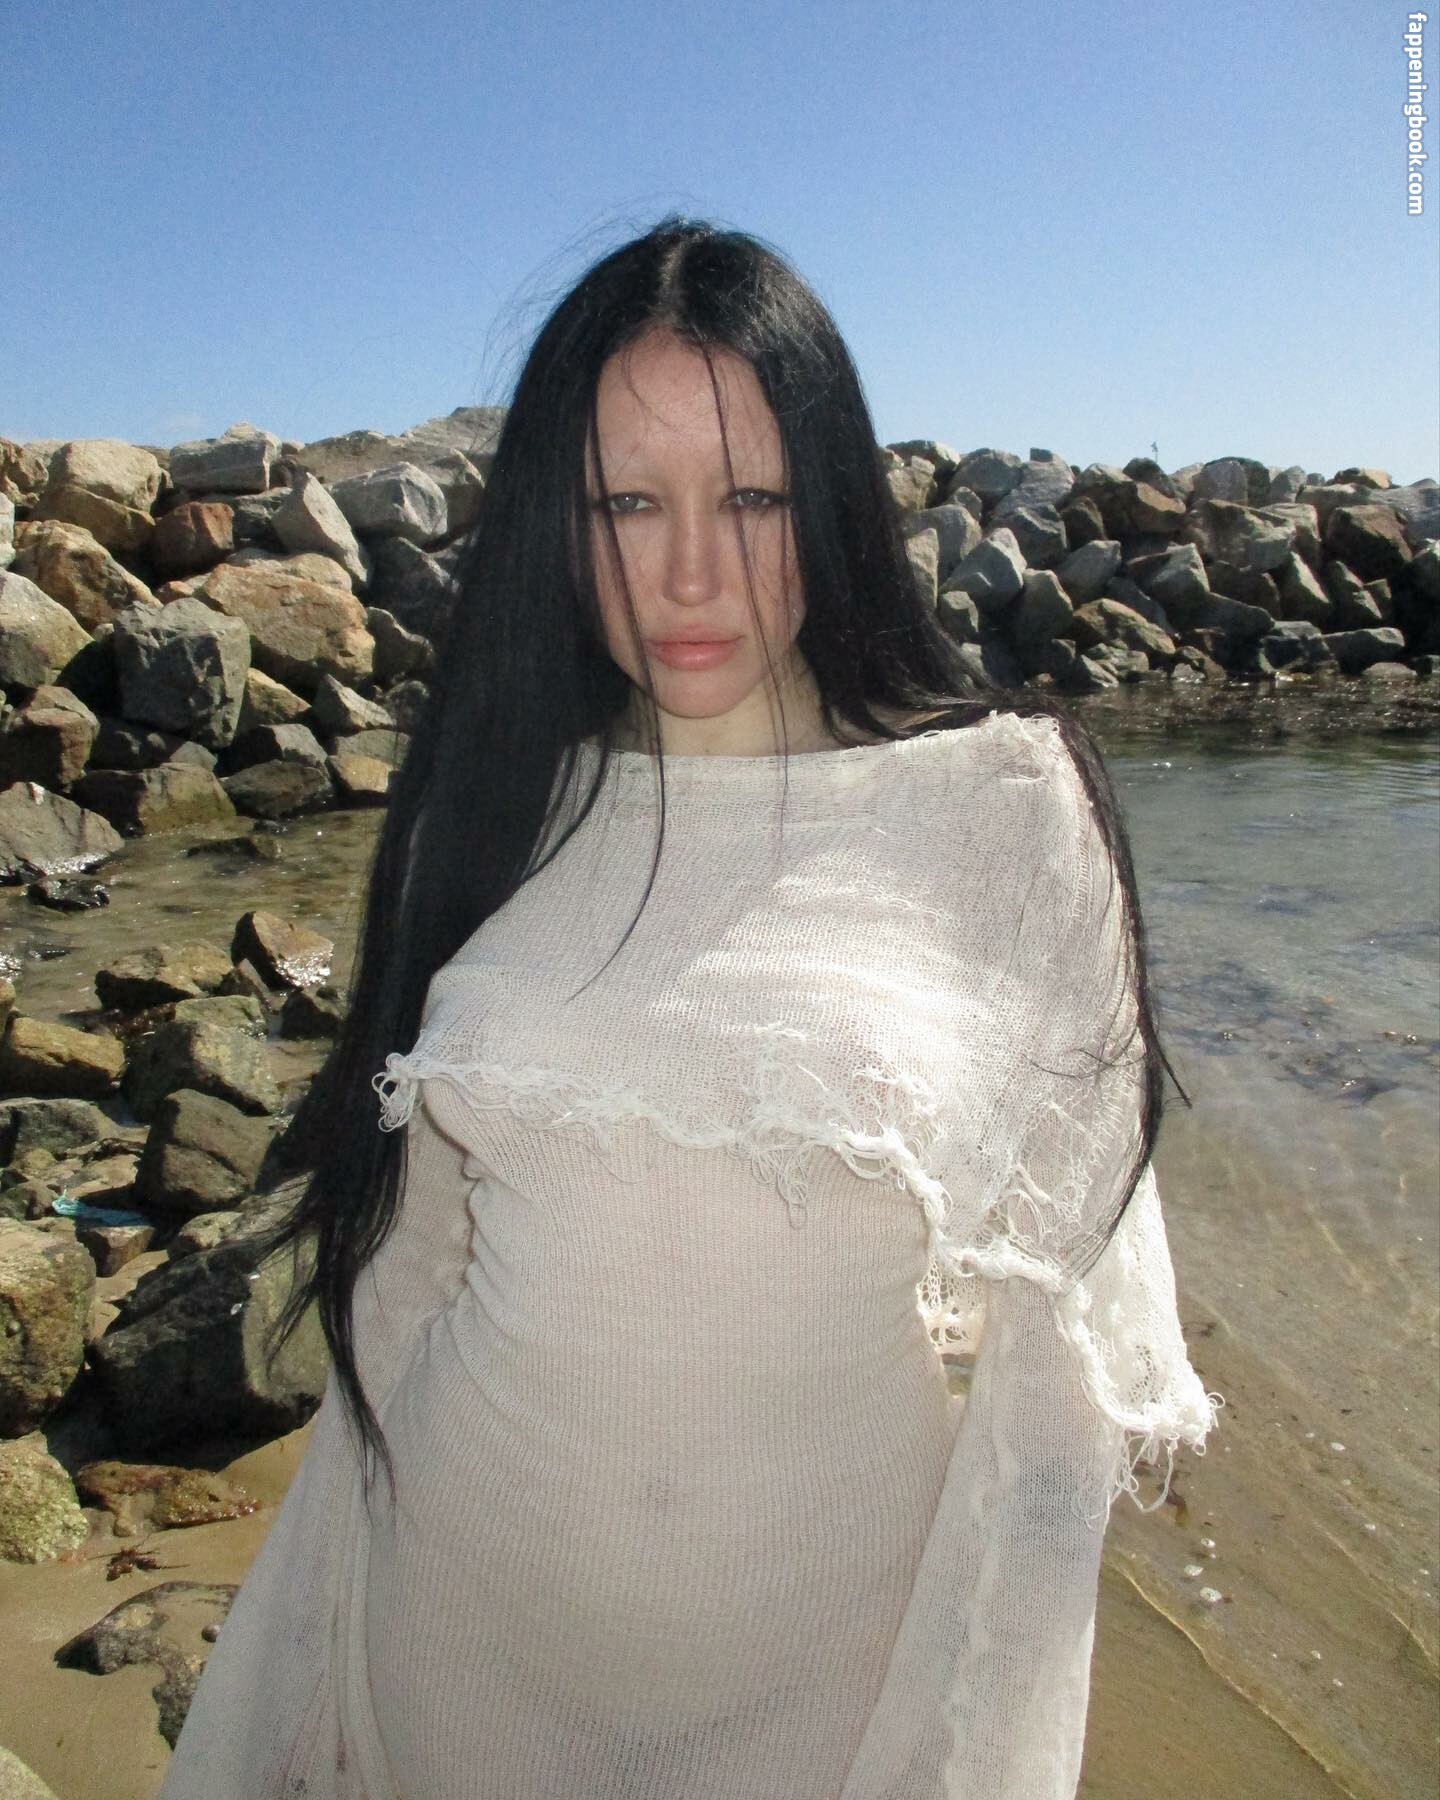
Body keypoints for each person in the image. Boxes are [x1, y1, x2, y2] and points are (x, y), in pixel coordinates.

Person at [160, 218, 1218, 1800]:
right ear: (558, 518)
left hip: (826, 1700)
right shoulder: (492, 798)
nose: (690, 575)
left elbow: (1058, 1404)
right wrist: (297, 1676)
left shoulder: (1003, 809)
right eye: (628, 503)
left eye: (755, 498)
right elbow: (408, 1271)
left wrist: (980, 1754)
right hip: (453, 1654)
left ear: (834, 499)